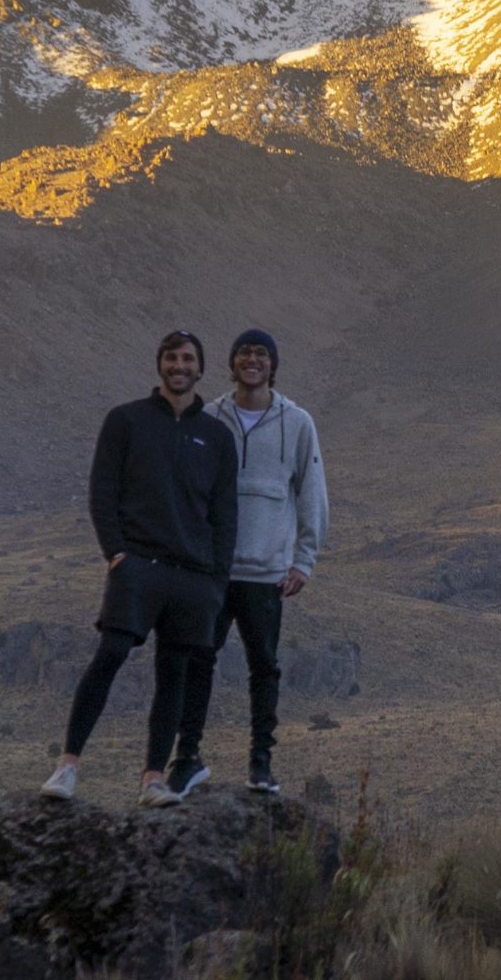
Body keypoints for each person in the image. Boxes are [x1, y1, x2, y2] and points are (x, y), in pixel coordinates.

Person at [39, 330, 237, 806]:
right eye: (171, 358)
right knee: (109, 656)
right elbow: (102, 492)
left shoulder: (216, 437)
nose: (179, 366)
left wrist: (216, 581)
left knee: (174, 676)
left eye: (188, 358)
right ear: (160, 365)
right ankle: (67, 766)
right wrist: (116, 554)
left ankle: (153, 778)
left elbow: (225, 515)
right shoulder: (126, 421)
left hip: (192, 576)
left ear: (200, 368)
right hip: (138, 566)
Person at [174, 328, 328, 795]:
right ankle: (187, 758)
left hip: (266, 573)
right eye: (244, 353)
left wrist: (304, 560)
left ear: (273, 365)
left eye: (261, 354)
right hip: (212, 570)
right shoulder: (210, 417)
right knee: (198, 662)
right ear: (232, 362)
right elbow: (186, 489)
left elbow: (312, 493)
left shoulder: (297, 423)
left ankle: (261, 762)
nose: (252, 361)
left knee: (264, 666)